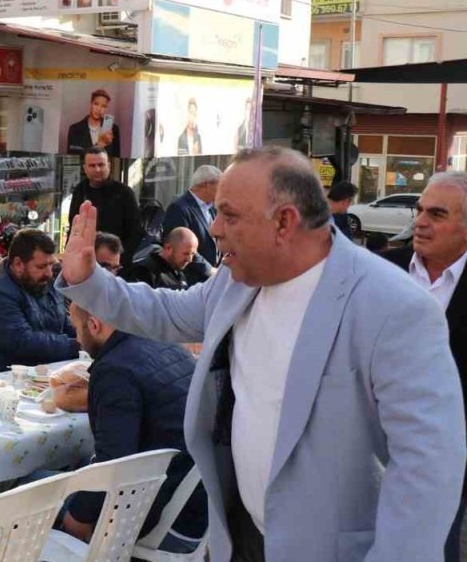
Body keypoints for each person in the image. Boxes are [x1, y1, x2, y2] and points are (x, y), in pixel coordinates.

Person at [57, 146, 464, 561]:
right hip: (241, 533)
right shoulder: (239, 279)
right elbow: (166, 311)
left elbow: (428, 471)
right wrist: (88, 282)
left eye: (229, 215)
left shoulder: (394, 307)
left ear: (284, 222)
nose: (214, 228)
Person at [61, 303, 207, 554]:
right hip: (200, 505)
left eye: (76, 328)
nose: (77, 338)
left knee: (35, 499)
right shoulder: (165, 342)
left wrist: (76, 517)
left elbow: (114, 464)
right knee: (63, 476)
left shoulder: (115, 369)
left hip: (163, 517)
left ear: (94, 325)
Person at [379, 171, 467, 562]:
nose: (420, 222)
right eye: (419, 210)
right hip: (372, 446)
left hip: (449, 453)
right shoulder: (380, 272)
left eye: (437, 213)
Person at [0, 229, 78, 376]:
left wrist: (88, 338)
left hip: (45, 370)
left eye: (50, 265)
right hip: (4, 379)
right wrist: (77, 345)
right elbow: (23, 342)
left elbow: (64, 324)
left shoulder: (46, 280)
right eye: (41, 267)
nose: (48, 273)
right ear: (18, 264)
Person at [66, 147, 143, 264]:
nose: (97, 169)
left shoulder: (123, 193)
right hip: (85, 260)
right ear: (85, 168)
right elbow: (73, 226)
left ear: (109, 166)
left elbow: (135, 232)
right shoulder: (80, 191)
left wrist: (119, 261)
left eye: (101, 165)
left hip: (115, 263)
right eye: (92, 165)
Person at [162, 165, 221, 265]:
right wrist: (208, 270)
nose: (221, 191)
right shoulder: (179, 208)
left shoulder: (213, 207)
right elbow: (180, 248)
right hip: (192, 276)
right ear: (207, 184)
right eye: (220, 186)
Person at [124, 228, 204, 291]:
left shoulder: (179, 272)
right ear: (168, 248)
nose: (189, 259)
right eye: (186, 254)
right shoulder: (144, 272)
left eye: (193, 254)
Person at [66, 89, 121, 156]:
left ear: (107, 108)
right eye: (96, 104)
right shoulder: (74, 129)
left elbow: (116, 157)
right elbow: (73, 158)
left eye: (103, 106)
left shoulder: (113, 129)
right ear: (91, 103)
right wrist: (99, 145)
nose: (99, 109)